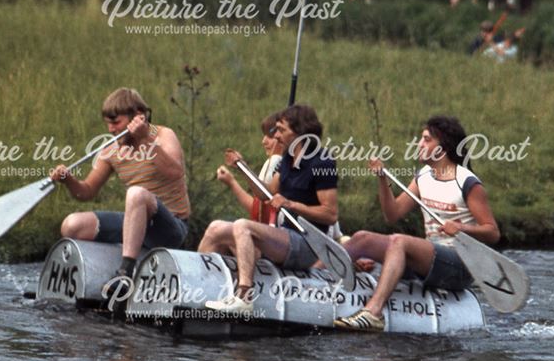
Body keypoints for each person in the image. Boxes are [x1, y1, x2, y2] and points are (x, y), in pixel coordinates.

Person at [335, 117, 500, 331]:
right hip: (432, 258)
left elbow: (493, 232)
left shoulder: (467, 182)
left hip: (460, 265)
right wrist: (382, 179)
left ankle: (373, 314)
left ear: (443, 146)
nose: (419, 144)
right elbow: (392, 214)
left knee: (399, 242)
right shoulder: (423, 176)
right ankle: (314, 277)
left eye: (426, 140)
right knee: (362, 238)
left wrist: (461, 228)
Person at [200, 105, 338, 314]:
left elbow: (330, 214)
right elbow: (265, 194)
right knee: (215, 228)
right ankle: (198, 289)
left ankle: (244, 298)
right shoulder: (288, 160)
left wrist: (292, 205)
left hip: (307, 243)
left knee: (243, 226)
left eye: (281, 130)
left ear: (299, 131)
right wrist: (242, 167)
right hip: (284, 237)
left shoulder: (322, 163)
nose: (277, 135)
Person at [49, 88, 190, 293]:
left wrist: (144, 140)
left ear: (138, 116)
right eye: (108, 123)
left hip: (171, 227)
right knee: (72, 225)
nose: (111, 129)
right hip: (136, 222)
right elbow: (87, 192)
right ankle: (88, 276)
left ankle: (125, 273)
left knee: (136, 193)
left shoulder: (163, 135)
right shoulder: (111, 151)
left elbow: (175, 172)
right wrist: (68, 179)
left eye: (116, 122)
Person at [214, 112, 285, 225]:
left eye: (270, 136)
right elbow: (258, 209)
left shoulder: (276, 160)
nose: (263, 141)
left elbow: (260, 210)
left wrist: (236, 177)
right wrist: (231, 182)